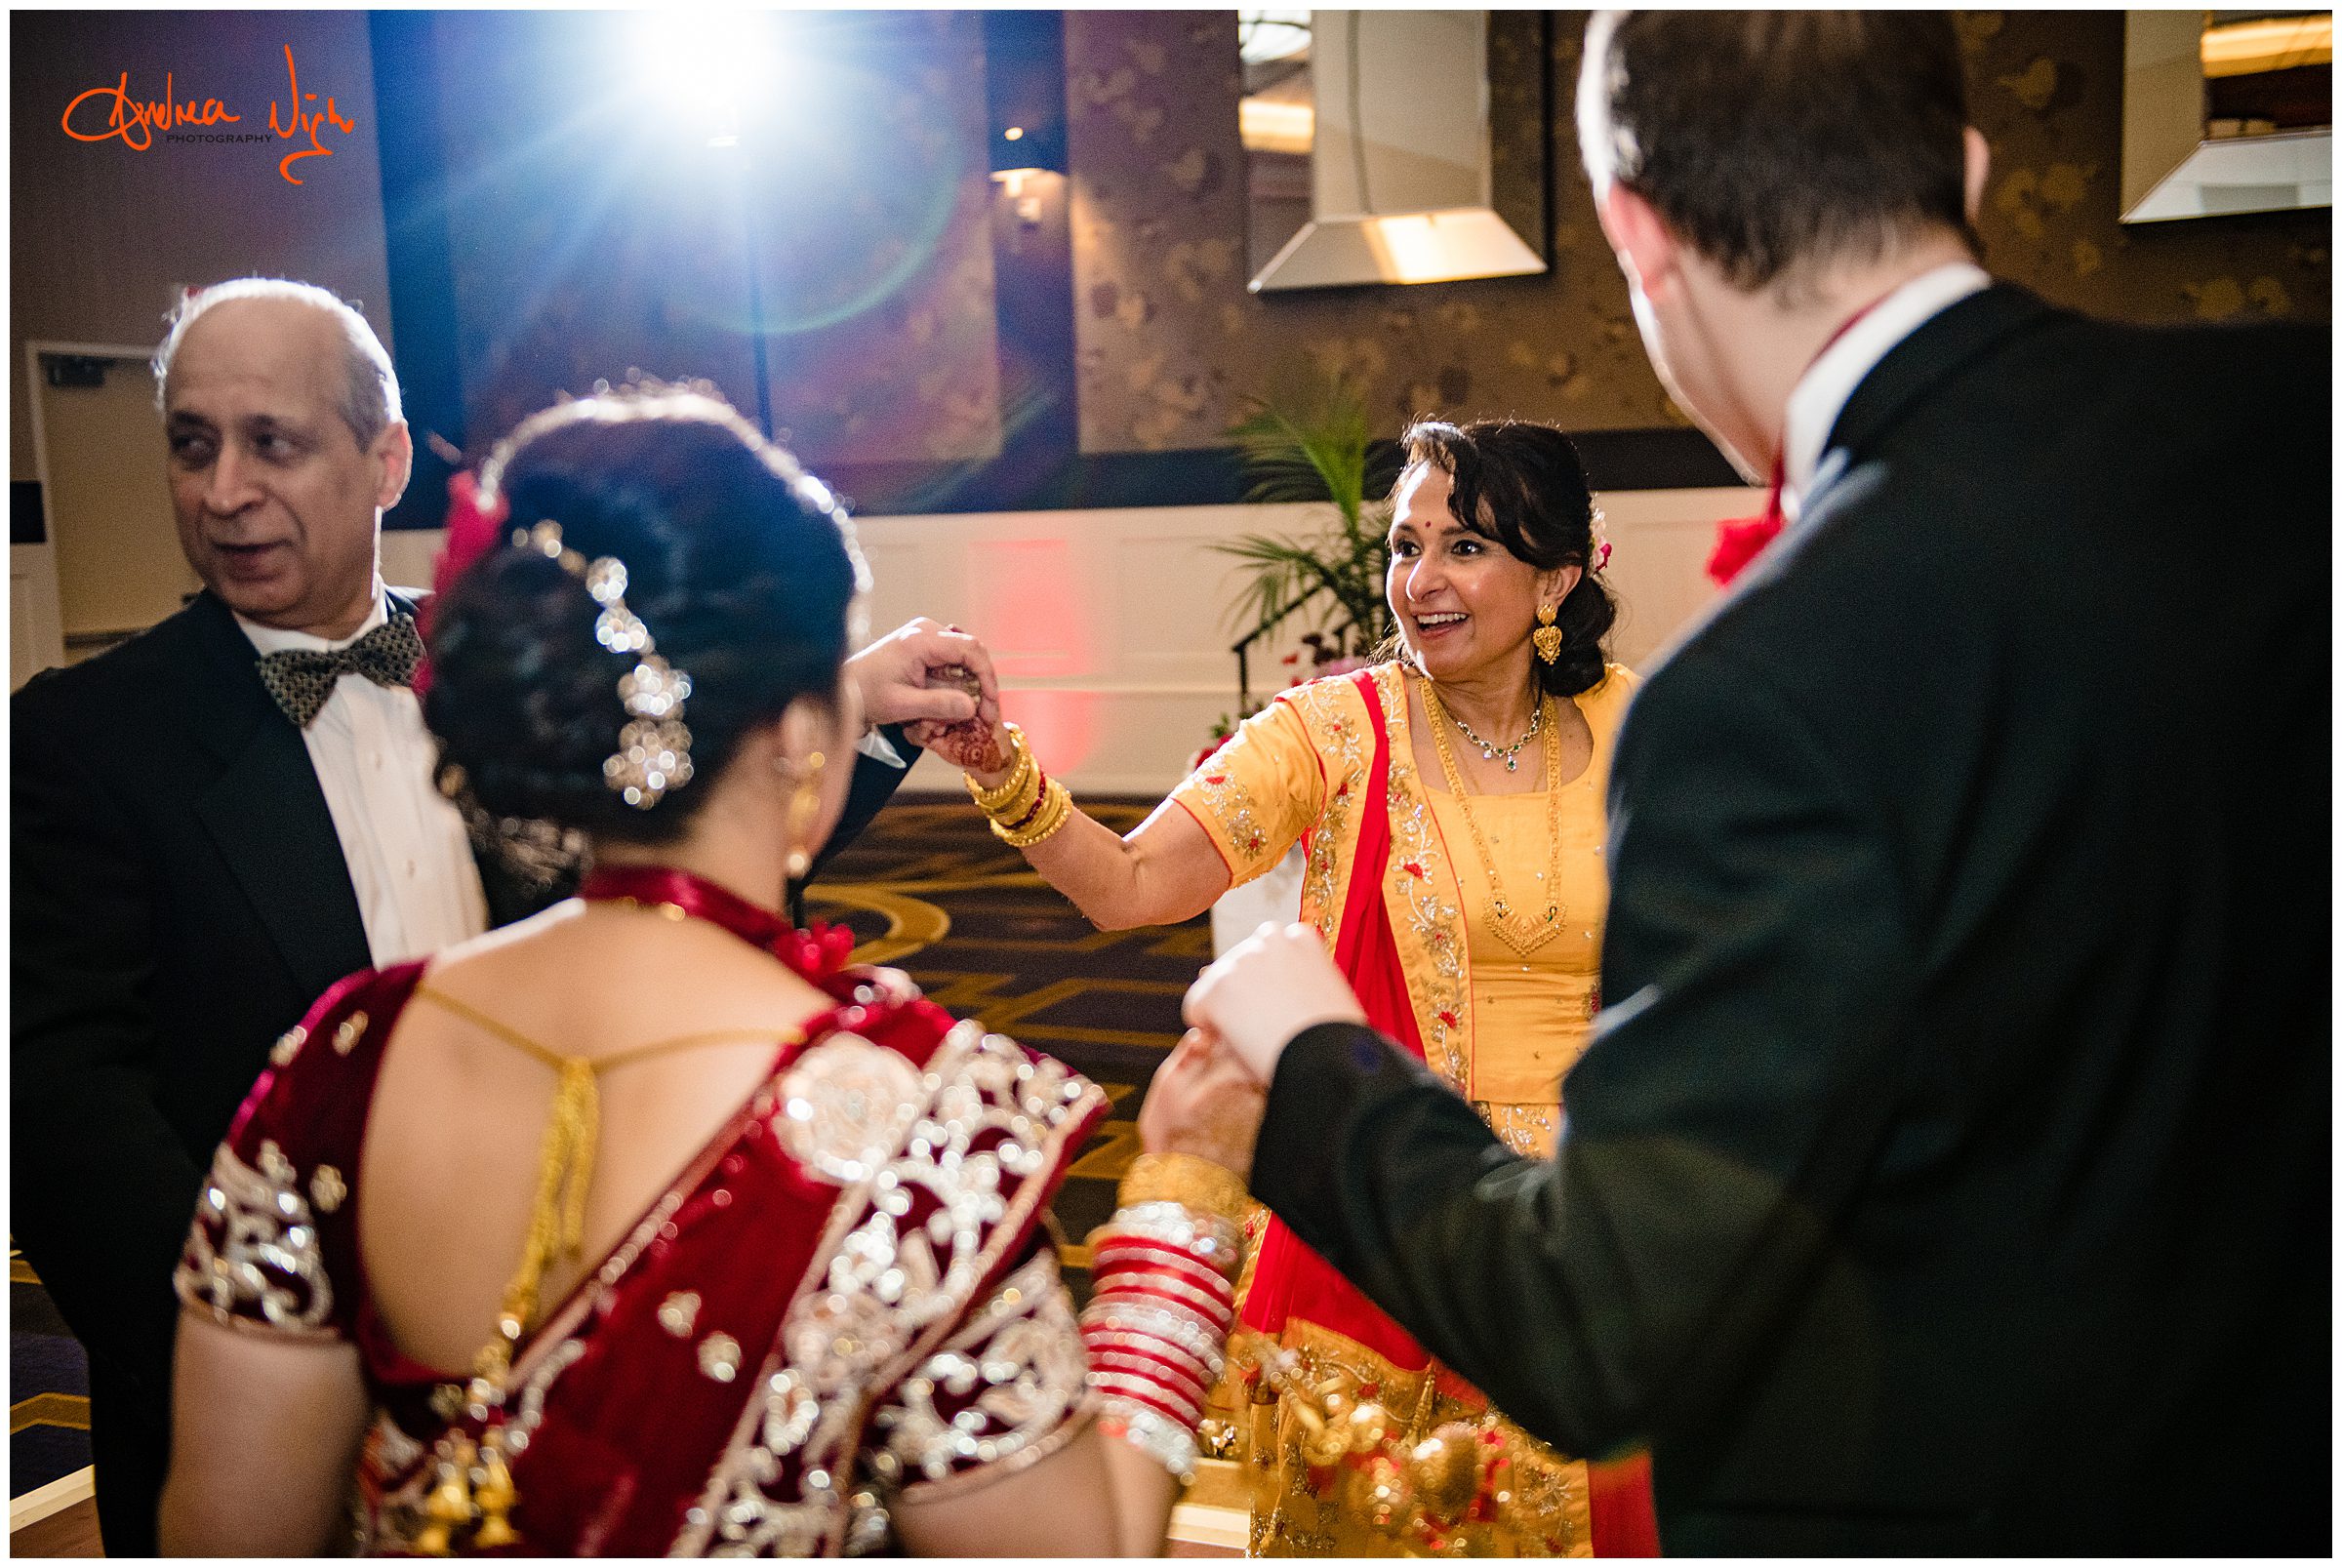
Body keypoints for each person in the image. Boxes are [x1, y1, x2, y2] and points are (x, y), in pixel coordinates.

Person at [1157, 9, 2329, 1556]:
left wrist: (1313, 1053)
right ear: (1966, 170)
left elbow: (1608, 1324)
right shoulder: (2298, 425)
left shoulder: (1759, 697)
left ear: (1637, 235)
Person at [155, 387, 1253, 1555]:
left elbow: (223, 1530)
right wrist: (1185, 1208)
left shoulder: (343, 1056)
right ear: (799, 729)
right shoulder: (931, 1123)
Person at [9, 278, 998, 1555]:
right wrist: (278, 1356)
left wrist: (840, 711)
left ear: (387, 458)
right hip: (264, 1407)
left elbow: (664, 873)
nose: (224, 491)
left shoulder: (501, 656)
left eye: (274, 441)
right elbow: (62, 1110)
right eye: (192, 444)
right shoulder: (84, 737)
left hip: (562, 1343)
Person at [927, 421, 1652, 1555]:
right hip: (1386, 1215)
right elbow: (1127, 886)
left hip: (1590, 1233)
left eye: (1464, 547)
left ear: (1557, 574)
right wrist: (1002, 773)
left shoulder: (1643, 730)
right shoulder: (1337, 732)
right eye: (1406, 546)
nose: (1421, 580)